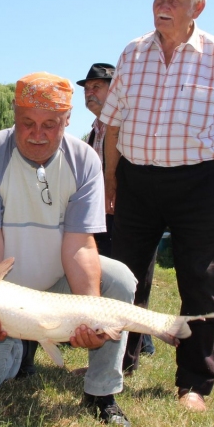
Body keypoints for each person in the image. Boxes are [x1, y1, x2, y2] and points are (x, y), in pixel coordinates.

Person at [100, 0, 214, 412]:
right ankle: (117, 364)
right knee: (124, 278)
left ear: (196, 9)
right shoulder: (133, 52)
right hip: (136, 180)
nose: (162, 6)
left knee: (202, 284)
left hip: (199, 185)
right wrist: (111, 179)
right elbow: (112, 123)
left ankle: (194, 383)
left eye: (173, 0)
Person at [0, 72, 137, 427]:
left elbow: (81, 247)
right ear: (14, 116)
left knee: (120, 281)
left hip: (60, 283)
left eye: (50, 124)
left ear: (67, 121)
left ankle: (101, 392)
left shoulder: (84, 161)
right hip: (7, 292)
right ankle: (21, 346)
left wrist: (90, 315)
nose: (37, 134)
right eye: (27, 123)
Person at [77, 63, 156, 361]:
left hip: (128, 213)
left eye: (96, 87)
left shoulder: (129, 127)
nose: (89, 94)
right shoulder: (95, 131)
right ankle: (137, 340)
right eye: (86, 90)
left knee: (129, 277)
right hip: (103, 216)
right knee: (111, 275)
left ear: (116, 90)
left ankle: (136, 344)